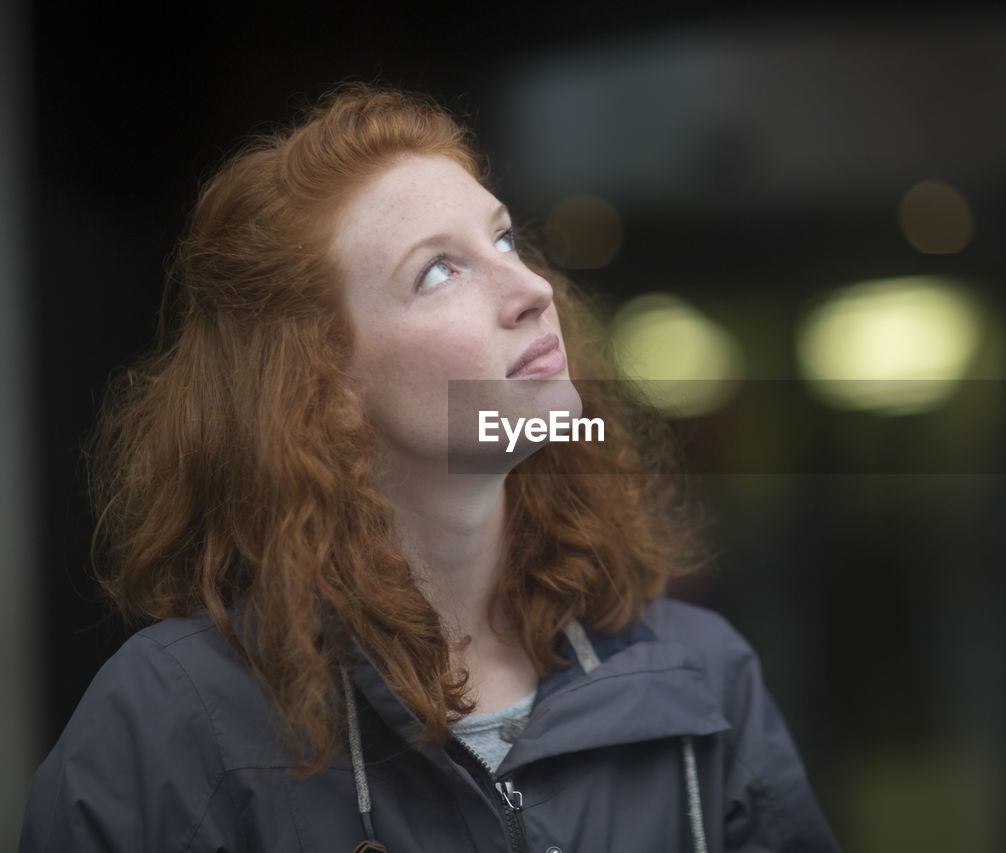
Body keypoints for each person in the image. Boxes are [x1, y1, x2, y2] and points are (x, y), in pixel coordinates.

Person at [18, 84, 840, 851]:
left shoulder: (702, 676)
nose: (530, 288)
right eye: (438, 271)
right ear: (325, 387)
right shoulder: (167, 724)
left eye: (504, 237)